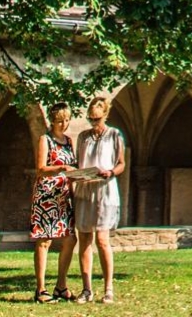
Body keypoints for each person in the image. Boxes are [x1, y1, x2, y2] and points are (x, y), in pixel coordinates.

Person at [74, 96, 127, 304]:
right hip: (85, 189)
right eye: (90, 119)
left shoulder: (114, 135)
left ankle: (108, 288)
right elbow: (79, 162)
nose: (93, 123)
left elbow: (121, 163)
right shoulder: (83, 137)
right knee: (84, 239)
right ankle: (87, 289)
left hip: (105, 190)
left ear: (105, 115)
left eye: (97, 119)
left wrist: (111, 172)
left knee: (102, 240)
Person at [30, 105, 78, 304]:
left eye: (67, 120)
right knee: (44, 240)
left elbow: (73, 166)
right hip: (46, 195)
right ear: (52, 121)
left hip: (64, 194)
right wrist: (61, 167)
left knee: (70, 239)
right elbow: (41, 169)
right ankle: (41, 289)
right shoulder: (45, 139)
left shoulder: (69, 141)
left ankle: (61, 285)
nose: (64, 124)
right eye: (60, 121)